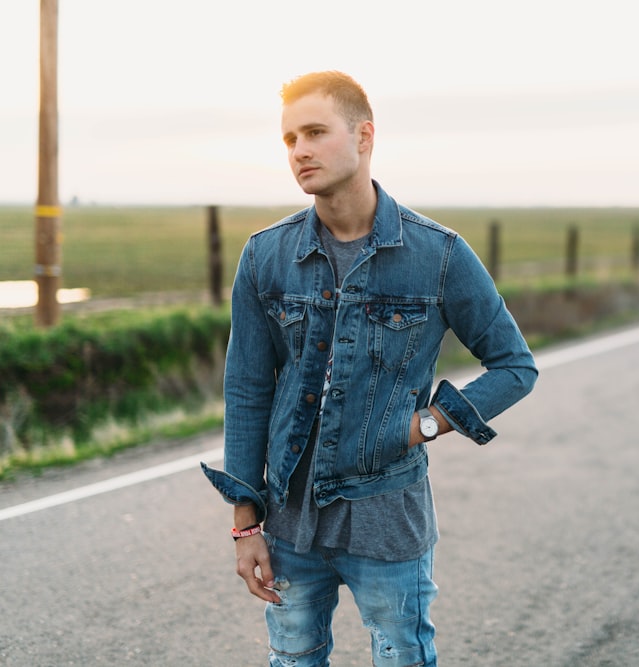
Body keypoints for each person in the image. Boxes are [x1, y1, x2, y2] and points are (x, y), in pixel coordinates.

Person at [201, 70, 537, 667]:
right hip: (288, 519)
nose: (299, 150)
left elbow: (514, 366)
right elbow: (248, 391)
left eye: (314, 132)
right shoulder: (265, 255)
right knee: (293, 659)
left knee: (402, 657)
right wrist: (245, 523)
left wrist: (427, 424)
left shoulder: (437, 254)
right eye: (288, 139)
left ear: (363, 136)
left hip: (387, 517)